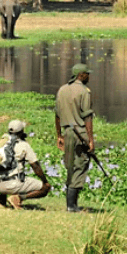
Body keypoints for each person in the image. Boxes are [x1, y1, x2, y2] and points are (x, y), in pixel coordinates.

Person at [54, 63, 95, 212]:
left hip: (67, 132)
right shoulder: (85, 92)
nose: (89, 76)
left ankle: (71, 204)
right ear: (81, 75)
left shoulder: (62, 90)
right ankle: (72, 206)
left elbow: (57, 115)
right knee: (80, 165)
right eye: (87, 74)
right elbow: (87, 117)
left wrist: (59, 135)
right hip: (80, 133)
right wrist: (90, 139)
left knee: (70, 166)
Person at [0, 120, 51, 209]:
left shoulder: (0, 143)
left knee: (5, 170)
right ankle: (18, 198)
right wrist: (45, 181)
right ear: (21, 132)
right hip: (12, 185)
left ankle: (2, 202)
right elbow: (35, 166)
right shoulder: (24, 145)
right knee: (45, 188)